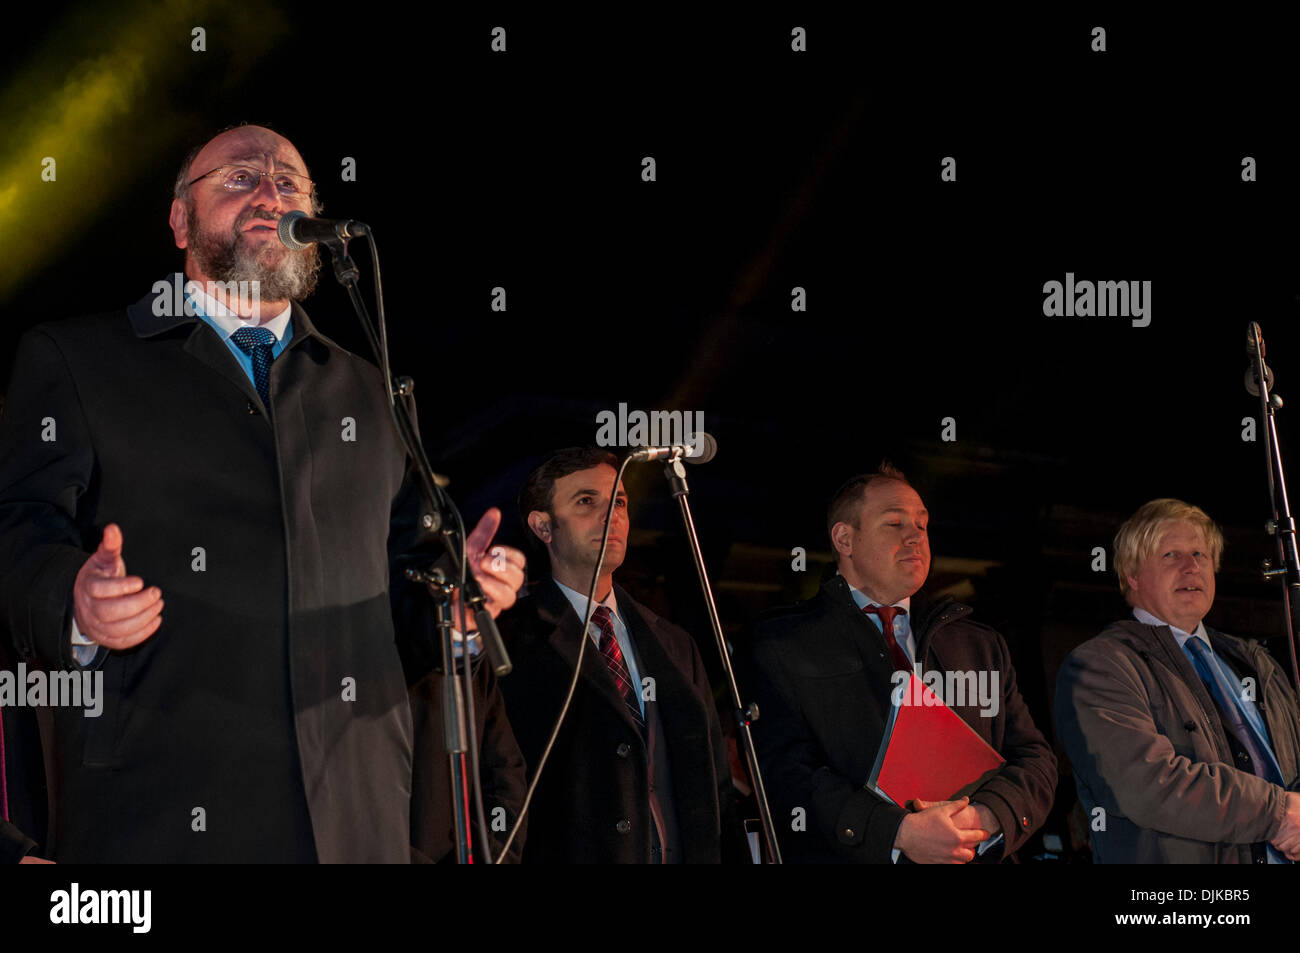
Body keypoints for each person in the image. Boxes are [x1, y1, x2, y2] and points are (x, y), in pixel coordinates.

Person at [0, 124, 525, 862]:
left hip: (357, 819)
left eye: (289, 182)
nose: (269, 192)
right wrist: (75, 602)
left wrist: (458, 606)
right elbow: (17, 529)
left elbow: (405, 598)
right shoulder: (80, 360)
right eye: (239, 178)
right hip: (163, 808)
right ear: (180, 219)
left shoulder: (371, 390)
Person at [743, 464, 1057, 863]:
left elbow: (1036, 759)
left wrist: (986, 817)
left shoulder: (980, 644)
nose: (915, 536)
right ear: (845, 538)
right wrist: (897, 832)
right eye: (894, 523)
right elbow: (784, 772)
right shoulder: (783, 643)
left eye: (922, 525)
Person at [496, 447, 747, 863]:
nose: (610, 515)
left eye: (620, 502)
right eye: (586, 501)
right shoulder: (510, 638)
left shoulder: (674, 643)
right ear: (543, 526)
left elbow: (715, 785)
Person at [1055, 498, 1300, 863]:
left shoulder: (1254, 663)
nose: (1192, 567)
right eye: (1171, 555)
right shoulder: (1100, 665)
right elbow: (1147, 785)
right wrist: (1277, 815)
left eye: (1201, 555)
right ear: (1132, 574)